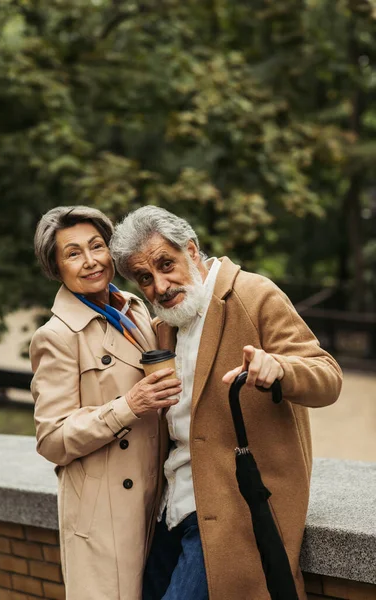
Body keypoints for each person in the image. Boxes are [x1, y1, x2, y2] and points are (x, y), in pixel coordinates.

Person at [110, 206, 343, 600]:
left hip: (232, 512)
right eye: (145, 278)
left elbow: (328, 377)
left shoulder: (254, 295)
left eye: (167, 264)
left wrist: (281, 369)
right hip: (170, 509)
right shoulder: (162, 326)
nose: (160, 286)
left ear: (192, 250)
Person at [30, 206, 181, 600]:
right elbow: (52, 438)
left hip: (159, 501)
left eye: (97, 246)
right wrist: (128, 405)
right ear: (56, 267)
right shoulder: (57, 336)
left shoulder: (132, 306)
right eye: (73, 253)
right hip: (105, 517)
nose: (91, 261)